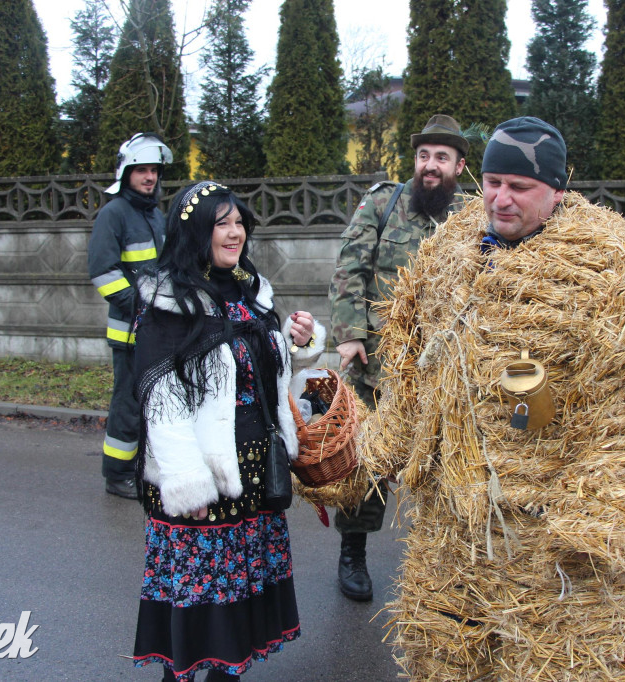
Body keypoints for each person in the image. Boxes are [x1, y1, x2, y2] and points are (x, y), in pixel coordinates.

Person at [356, 117, 625, 679]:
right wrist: (372, 451)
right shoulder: (448, 251)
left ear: (557, 188)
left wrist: (598, 517)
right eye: (492, 181)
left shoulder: (616, 272)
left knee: (554, 664)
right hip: (449, 528)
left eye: (519, 187)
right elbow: (410, 363)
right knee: (443, 659)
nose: (500, 199)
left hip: (547, 540)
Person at [130, 181, 326, 681]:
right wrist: (188, 481)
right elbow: (161, 403)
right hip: (204, 481)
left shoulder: (249, 291)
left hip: (253, 478)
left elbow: (258, 367)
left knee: (233, 615)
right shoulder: (169, 301)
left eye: (239, 222)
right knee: (197, 614)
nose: (236, 232)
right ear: (195, 230)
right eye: (223, 223)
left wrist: (296, 343)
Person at [328, 113, 469, 601]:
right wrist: (349, 334)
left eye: (442, 158)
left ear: (459, 165)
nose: (431, 166)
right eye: (424, 156)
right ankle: (353, 555)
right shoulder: (383, 202)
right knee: (366, 465)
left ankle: (441, 567)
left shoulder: (473, 216)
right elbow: (350, 264)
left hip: (445, 372)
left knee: (444, 468)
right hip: (378, 367)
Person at [88, 132, 172, 499]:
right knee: (128, 402)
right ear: (126, 172)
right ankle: (117, 475)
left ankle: (144, 469)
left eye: (154, 170)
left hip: (160, 329)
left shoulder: (156, 214)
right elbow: (103, 271)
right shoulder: (114, 214)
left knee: (157, 403)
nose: (150, 177)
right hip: (130, 331)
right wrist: (140, 306)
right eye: (142, 170)